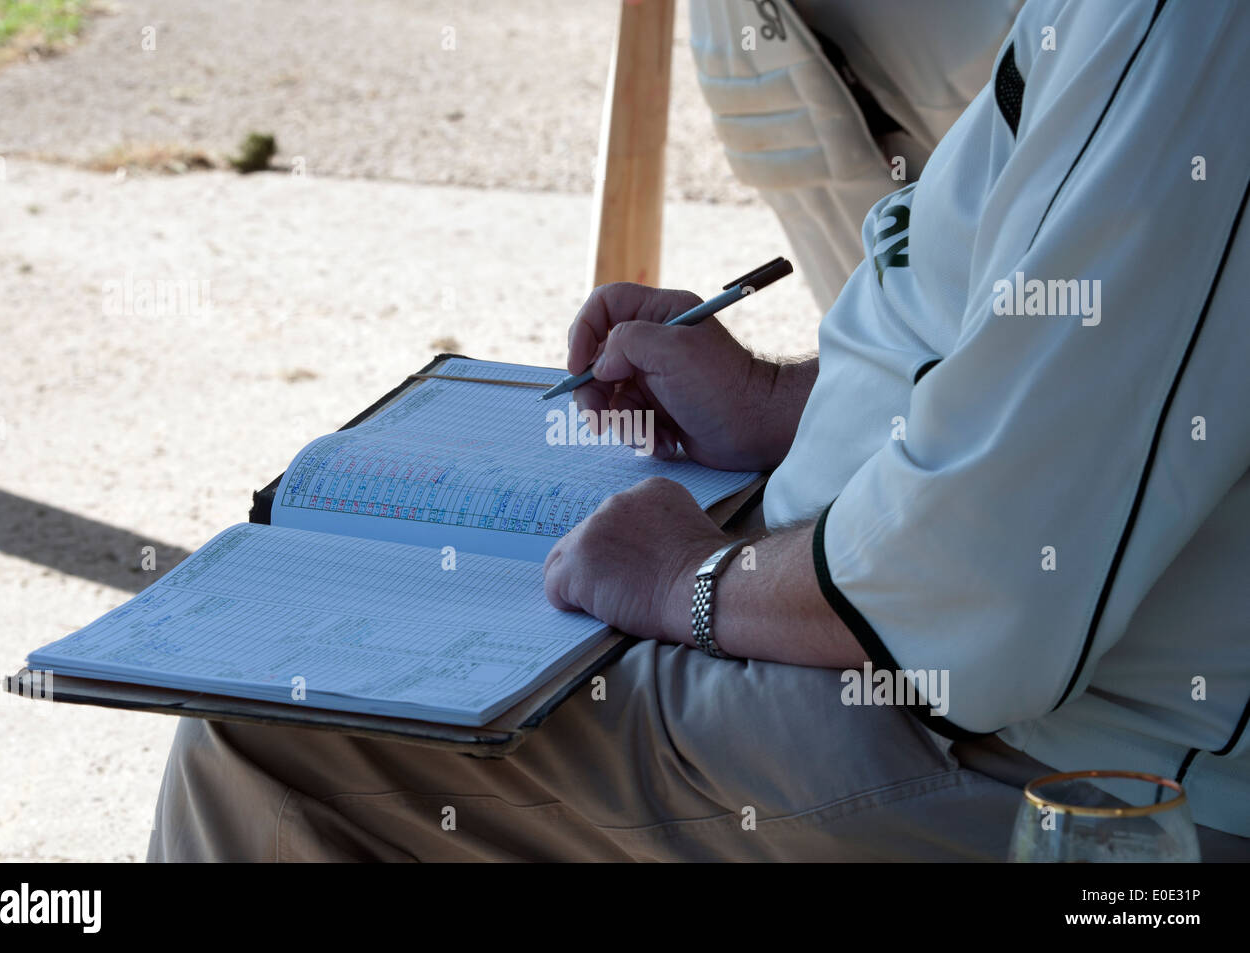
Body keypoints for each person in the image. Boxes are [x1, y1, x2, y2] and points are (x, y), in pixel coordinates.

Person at [148, 0, 1250, 861]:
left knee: (269, 736)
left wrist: (695, 580)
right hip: (971, 693)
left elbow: (979, 591)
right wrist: (787, 407)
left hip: (1076, 777)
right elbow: (1064, 356)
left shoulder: (1194, 33)